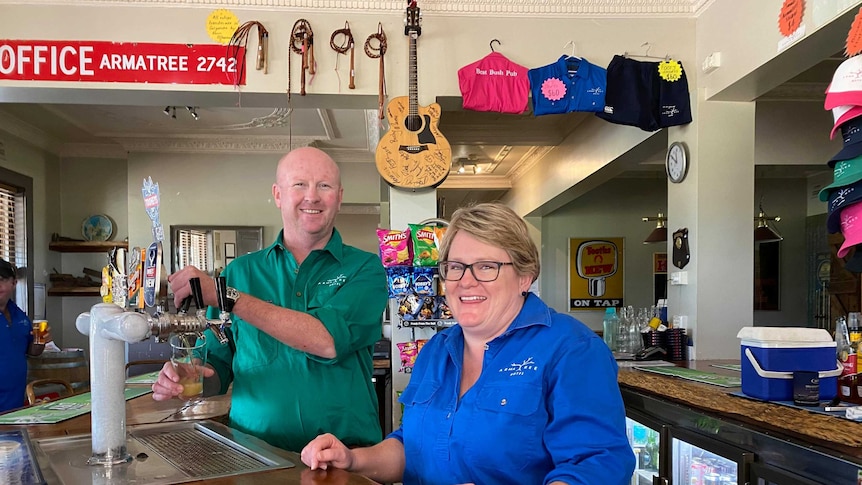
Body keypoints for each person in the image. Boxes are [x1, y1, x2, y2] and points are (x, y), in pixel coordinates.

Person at [302, 202, 635, 485]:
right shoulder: (436, 350)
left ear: (525, 275)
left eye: (486, 266)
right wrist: (352, 459)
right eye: (455, 267)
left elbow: (596, 466)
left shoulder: (572, 350)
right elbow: (411, 447)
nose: (466, 281)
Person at [152, 147, 389, 452]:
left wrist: (228, 296)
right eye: (299, 184)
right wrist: (188, 375)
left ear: (339, 197)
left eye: (324, 186)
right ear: (278, 195)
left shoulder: (366, 269)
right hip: (256, 455)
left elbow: (327, 340)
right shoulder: (239, 272)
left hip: (346, 456)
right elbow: (216, 369)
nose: (312, 196)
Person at [0, 258, 51, 413]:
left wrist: (41, 341)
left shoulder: (19, 315)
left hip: (14, 403)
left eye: (1, 280)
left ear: (14, 283)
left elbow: (32, 351)